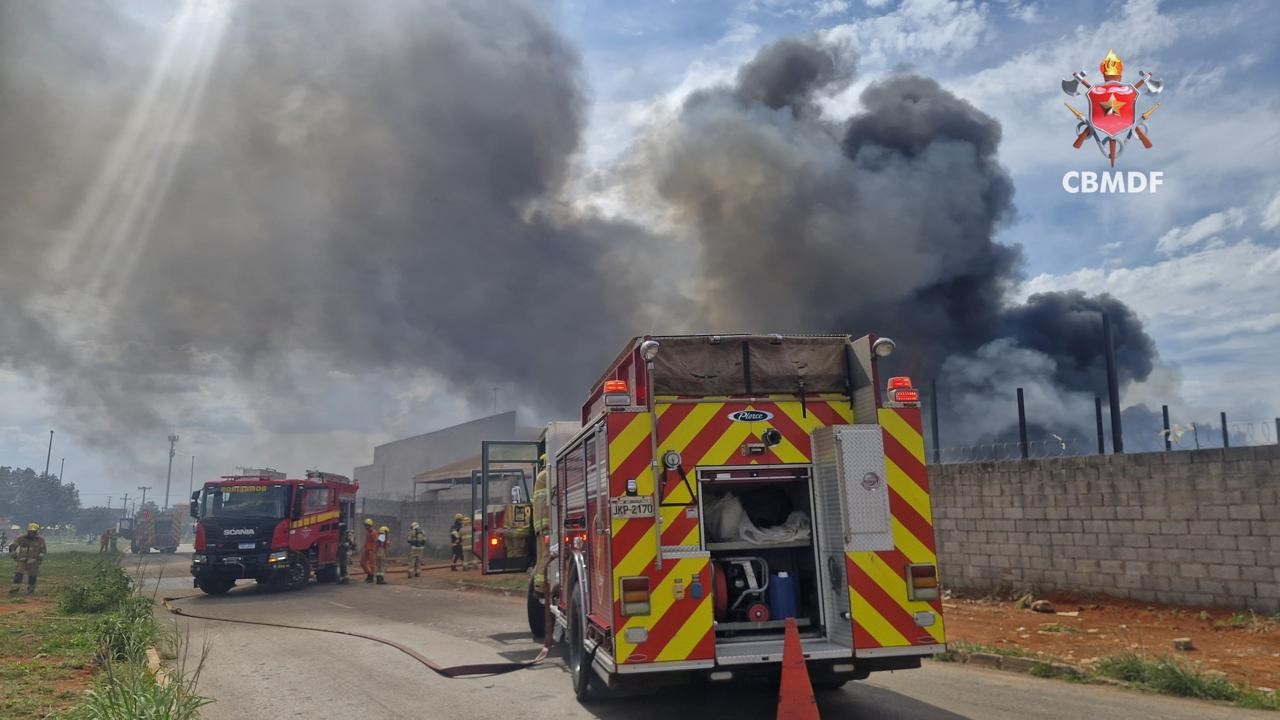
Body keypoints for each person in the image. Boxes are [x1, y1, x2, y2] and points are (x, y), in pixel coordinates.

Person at [9, 523, 47, 595]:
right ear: (27, 531)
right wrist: (14, 555)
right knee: (18, 574)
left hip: (33, 561)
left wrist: (40, 558)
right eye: (30, 531)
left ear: (36, 532)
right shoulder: (21, 538)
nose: (31, 533)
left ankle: (31, 590)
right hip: (22, 560)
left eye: (33, 531)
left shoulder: (40, 540)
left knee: (32, 576)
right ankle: (14, 590)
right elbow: (13, 546)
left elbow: (43, 550)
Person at [360, 518, 378, 583]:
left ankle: (371, 576)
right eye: (365, 525)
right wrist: (364, 547)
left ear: (370, 525)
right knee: (362, 563)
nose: (365, 527)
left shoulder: (374, 533)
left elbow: (376, 542)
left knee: (372, 564)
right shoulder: (368, 532)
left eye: (366, 525)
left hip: (371, 551)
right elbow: (367, 541)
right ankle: (369, 574)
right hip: (367, 550)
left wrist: (373, 550)